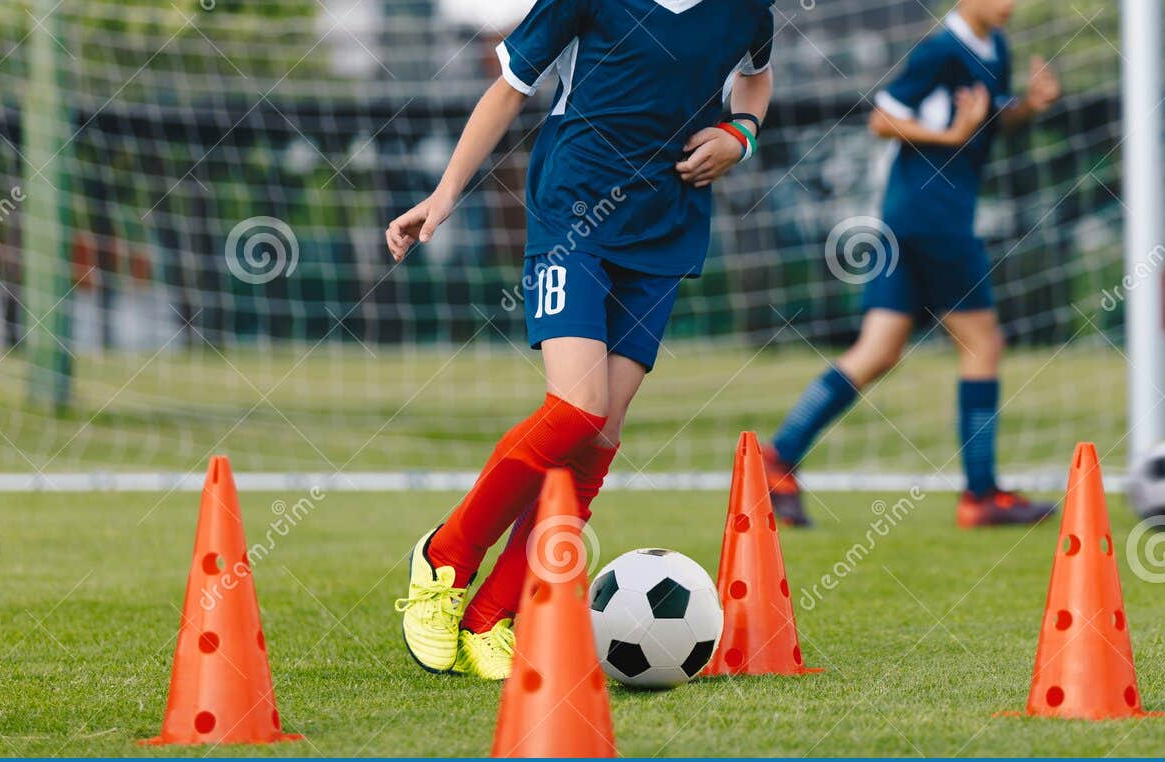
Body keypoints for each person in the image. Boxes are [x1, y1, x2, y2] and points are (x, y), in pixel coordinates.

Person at [385, 0, 776, 679]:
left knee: (599, 436)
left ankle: (492, 616)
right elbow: (510, 88)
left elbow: (756, 77)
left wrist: (740, 133)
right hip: (576, 209)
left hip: (666, 226)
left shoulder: (749, 8)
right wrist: (445, 194)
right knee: (575, 408)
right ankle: (445, 558)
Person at [763, 0, 1061, 529]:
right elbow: (882, 120)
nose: (1010, 4)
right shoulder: (939, 50)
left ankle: (777, 459)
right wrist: (948, 138)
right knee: (983, 344)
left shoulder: (994, 47)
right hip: (933, 216)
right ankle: (981, 494)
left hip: (908, 219)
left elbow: (987, 121)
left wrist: (1029, 107)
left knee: (878, 351)